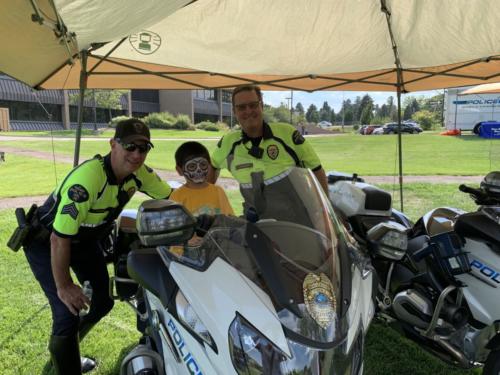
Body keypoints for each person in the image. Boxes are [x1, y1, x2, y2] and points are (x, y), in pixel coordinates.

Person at [23, 118, 172, 374]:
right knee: (66, 309)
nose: (137, 154)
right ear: (113, 144)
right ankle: (66, 366)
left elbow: (172, 197)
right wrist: (64, 285)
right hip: (47, 242)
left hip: (84, 241)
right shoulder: (88, 180)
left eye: (144, 148)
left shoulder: (139, 174)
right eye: (130, 146)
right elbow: (59, 239)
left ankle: (67, 351)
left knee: (103, 302)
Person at [209, 84, 328, 193]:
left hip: (294, 214)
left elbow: (316, 169)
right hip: (254, 216)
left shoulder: (288, 134)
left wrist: (324, 211)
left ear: (261, 106)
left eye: (253, 105)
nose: (248, 111)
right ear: (234, 111)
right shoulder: (227, 143)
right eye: (241, 107)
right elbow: (212, 167)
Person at [171, 141, 234, 216]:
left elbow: (229, 218)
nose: (199, 170)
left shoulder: (218, 191)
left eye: (203, 164)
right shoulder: (177, 196)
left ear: (209, 166)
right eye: (192, 166)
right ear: (180, 170)